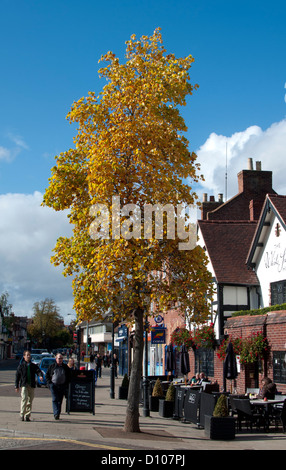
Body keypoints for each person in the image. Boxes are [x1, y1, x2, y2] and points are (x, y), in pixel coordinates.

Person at [15, 350, 44, 421]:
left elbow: (38, 371)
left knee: (30, 400)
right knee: (24, 399)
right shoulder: (21, 366)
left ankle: (27, 415)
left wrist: (40, 376)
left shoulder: (33, 365)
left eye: (29, 355)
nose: (28, 356)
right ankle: (22, 414)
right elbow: (17, 376)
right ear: (24, 356)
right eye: (27, 355)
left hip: (31, 385)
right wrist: (16, 386)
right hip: (24, 384)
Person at [46, 353, 71, 420]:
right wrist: (49, 384)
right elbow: (47, 375)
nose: (60, 360)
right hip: (54, 385)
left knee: (60, 400)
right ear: (56, 359)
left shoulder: (65, 367)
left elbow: (69, 376)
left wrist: (67, 385)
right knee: (54, 399)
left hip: (62, 386)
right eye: (58, 358)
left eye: (61, 358)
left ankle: (58, 413)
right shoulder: (52, 366)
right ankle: (55, 413)